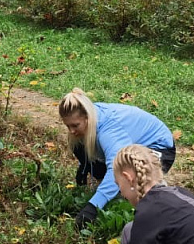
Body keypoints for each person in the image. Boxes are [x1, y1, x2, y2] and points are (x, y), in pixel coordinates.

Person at [58, 88, 175, 230]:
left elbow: (116, 169)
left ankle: (159, 206)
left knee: (135, 182)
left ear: (87, 117)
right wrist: (85, 166)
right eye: (67, 126)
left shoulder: (109, 133)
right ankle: (112, 193)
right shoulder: (91, 117)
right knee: (78, 143)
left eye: (75, 125)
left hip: (159, 146)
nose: (71, 130)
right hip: (131, 145)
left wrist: (92, 207)